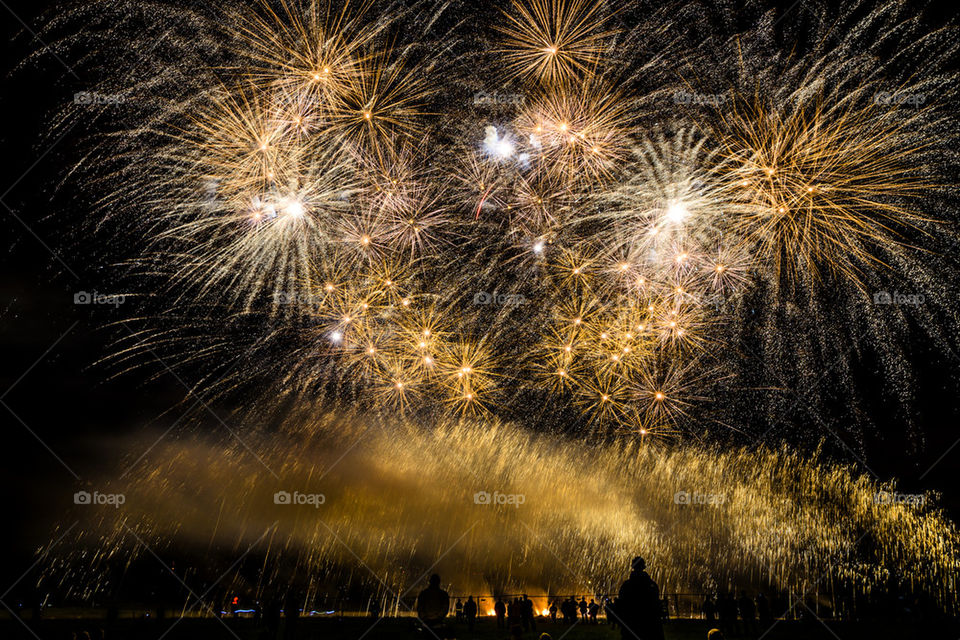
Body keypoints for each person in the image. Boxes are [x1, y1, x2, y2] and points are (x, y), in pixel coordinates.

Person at [616, 556, 664, 640]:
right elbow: (656, 604)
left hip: (631, 623)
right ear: (644, 567)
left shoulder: (626, 585)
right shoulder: (652, 585)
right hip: (650, 624)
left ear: (632, 567)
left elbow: (621, 605)